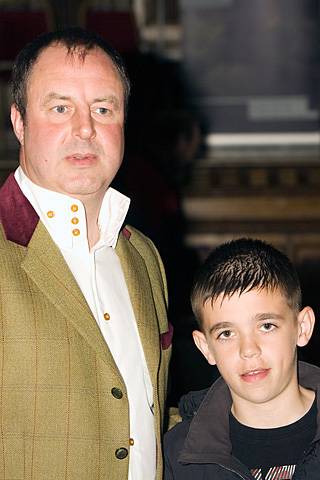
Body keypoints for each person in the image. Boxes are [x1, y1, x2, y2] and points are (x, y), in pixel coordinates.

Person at [0, 28, 172, 480]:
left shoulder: (144, 257)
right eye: (60, 108)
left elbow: (140, 417)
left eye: (103, 108)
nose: (85, 129)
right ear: (19, 121)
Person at [164, 238, 320, 479]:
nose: (248, 350)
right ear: (206, 347)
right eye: (227, 333)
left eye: (267, 326)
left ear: (302, 327)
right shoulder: (178, 456)